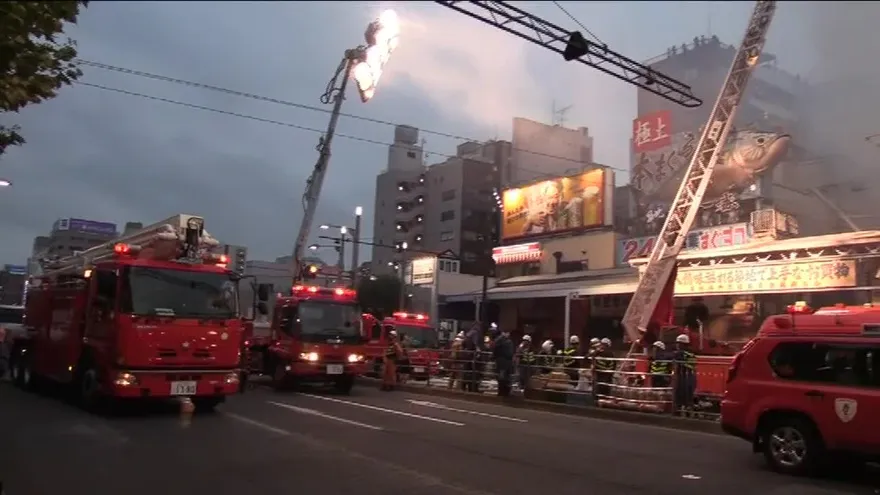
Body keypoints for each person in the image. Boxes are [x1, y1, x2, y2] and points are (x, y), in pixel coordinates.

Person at [673, 333, 697, 414]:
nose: (677, 345)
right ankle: (688, 411)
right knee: (689, 395)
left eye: (678, 343)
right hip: (691, 377)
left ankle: (679, 411)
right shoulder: (692, 354)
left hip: (683, 377)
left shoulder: (680, 353)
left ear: (683, 344)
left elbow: (673, 357)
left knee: (680, 394)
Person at [492, 327, 515, 397]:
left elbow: (494, 351)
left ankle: (500, 392)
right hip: (506, 362)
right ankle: (505, 393)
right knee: (506, 378)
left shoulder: (497, 341)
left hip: (499, 362)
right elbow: (510, 353)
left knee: (501, 378)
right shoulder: (509, 342)